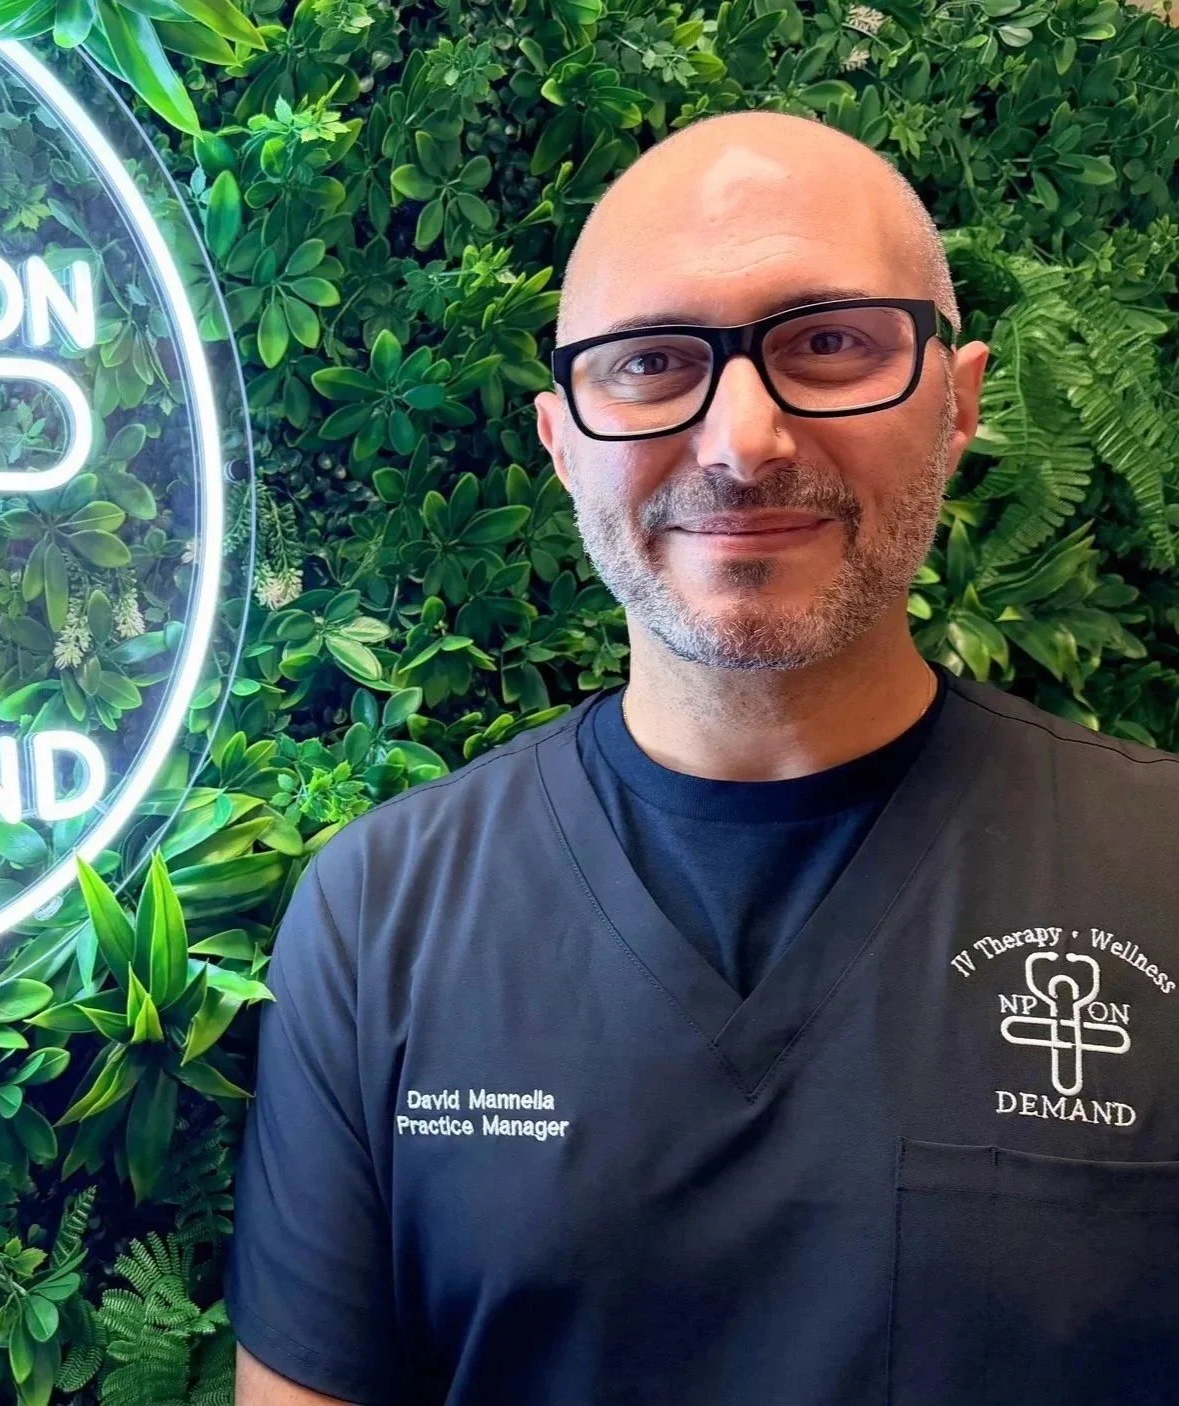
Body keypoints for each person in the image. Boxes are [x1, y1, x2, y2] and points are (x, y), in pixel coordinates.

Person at [223, 109, 1179, 1406]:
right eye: (653, 362)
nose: (744, 440)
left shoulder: (1158, 876)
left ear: (958, 406)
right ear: (562, 442)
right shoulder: (377, 918)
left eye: (831, 343)